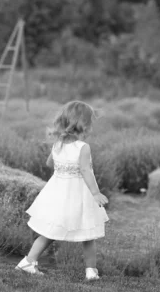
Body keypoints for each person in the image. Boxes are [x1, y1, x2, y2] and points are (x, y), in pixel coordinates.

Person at [15, 100, 109, 281]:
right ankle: (91, 271)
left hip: (58, 191)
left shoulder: (58, 144)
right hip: (79, 193)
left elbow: (49, 163)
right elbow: (85, 171)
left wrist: (63, 168)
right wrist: (96, 193)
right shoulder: (83, 147)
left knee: (50, 230)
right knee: (88, 233)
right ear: (84, 124)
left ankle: (28, 261)